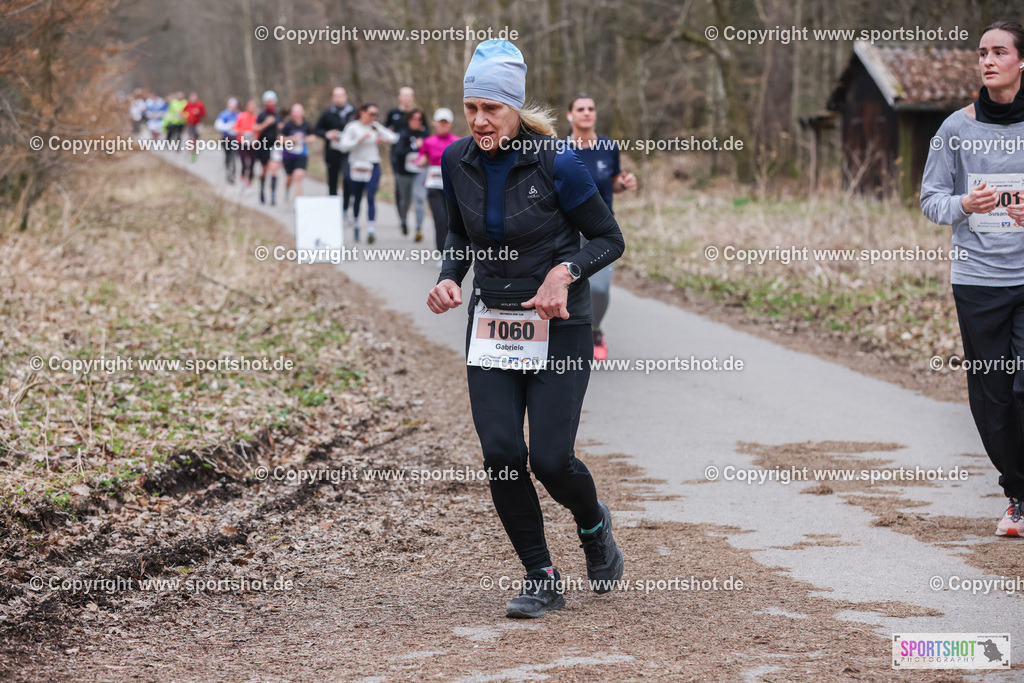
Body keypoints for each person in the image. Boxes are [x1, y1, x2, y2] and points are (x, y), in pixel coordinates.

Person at [426, 40, 625, 619]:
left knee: (552, 460)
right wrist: (447, 278)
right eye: (471, 108)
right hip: (492, 323)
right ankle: (540, 574)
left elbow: (609, 238)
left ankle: (593, 527)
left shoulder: (558, 161)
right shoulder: (454, 159)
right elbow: (460, 234)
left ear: (515, 108)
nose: (480, 121)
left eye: (492, 109)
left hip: (559, 323)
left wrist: (564, 273)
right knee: (502, 453)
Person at [922, 20, 1024, 538]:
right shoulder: (955, 129)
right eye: (981, 52)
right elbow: (929, 200)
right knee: (993, 394)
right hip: (979, 281)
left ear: (1020, 62)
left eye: (999, 51)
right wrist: (963, 203)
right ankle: (1017, 494)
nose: (986, 60)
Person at [566, 94, 637, 361]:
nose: (586, 113)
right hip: (567, 228)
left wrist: (624, 183)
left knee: (598, 288)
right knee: (569, 284)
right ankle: (568, 334)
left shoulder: (608, 146)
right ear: (569, 115)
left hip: (601, 230)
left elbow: (613, 183)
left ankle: (595, 329)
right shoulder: (559, 148)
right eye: (580, 108)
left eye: (591, 109)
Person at [337, 103, 399, 243]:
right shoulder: (352, 127)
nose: (373, 117)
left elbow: (394, 138)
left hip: (373, 164)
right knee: (357, 197)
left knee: (371, 196)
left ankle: (371, 230)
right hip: (357, 165)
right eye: (371, 114)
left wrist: (382, 134)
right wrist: (358, 141)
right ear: (362, 112)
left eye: (375, 114)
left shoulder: (375, 126)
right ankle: (356, 225)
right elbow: (343, 147)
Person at [417, 108, 459, 250]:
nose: (443, 125)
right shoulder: (428, 141)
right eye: (440, 122)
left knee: (451, 221)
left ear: (450, 123)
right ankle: (442, 252)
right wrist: (421, 160)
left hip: (452, 188)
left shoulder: (457, 142)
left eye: (445, 122)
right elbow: (420, 158)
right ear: (435, 123)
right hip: (434, 186)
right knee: (440, 221)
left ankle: (453, 251)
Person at [314, 87, 357, 214]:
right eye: (336, 96)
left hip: (348, 152)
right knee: (332, 179)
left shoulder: (353, 113)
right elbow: (316, 130)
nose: (339, 98)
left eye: (341, 95)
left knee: (347, 178)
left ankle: (345, 208)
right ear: (333, 98)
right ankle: (332, 208)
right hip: (332, 151)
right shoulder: (327, 113)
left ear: (346, 97)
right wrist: (327, 134)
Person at [392, 108, 429, 237]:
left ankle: (419, 229)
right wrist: (413, 146)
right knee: (405, 201)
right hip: (403, 172)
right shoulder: (403, 133)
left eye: (419, 119)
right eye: (414, 118)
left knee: (419, 198)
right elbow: (398, 152)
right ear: (408, 120)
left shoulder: (425, 134)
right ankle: (403, 222)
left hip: (420, 171)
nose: (416, 121)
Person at [386, 87, 416, 223]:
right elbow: (385, 129)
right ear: (399, 97)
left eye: (409, 96)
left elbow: (424, 130)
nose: (406, 98)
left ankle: (410, 212)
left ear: (412, 97)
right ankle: (401, 216)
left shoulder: (416, 114)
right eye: (404, 95)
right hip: (396, 154)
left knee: (412, 186)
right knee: (399, 185)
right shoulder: (393, 113)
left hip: (413, 154)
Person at [280, 103, 315, 201]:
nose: (297, 113)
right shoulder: (288, 125)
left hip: (301, 155)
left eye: (299, 111)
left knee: (298, 176)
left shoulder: (306, 125)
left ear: (303, 112)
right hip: (288, 155)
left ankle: (298, 202)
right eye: (295, 111)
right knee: (289, 178)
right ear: (292, 113)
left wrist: (307, 139)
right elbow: (280, 139)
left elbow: (312, 136)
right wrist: (292, 139)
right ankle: (287, 190)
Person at [254, 91, 282, 205]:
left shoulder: (278, 115)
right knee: (265, 170)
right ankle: (262, 189)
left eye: (272, 100)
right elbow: (255, 128)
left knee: (274, 170)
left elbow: (282, 130)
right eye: (268, 101)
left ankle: (273, 195)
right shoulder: (261, 115)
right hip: (263, 145)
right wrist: (266, 123)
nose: (270, 103)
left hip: (275, 146)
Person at [235, 99, 259, 192]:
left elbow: (260, 130)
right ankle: (242, 180)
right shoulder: (241, 116)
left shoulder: (257, 117)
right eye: (250, 106)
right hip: (242, 142)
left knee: (252, 164)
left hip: (254, 143)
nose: (252, 108)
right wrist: (243, 132)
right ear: (247, 107)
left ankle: (249, 184)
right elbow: (236, 128)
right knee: (244, 163)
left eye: (254, 107)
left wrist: (255, 135)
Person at [214, 97, 240, 183]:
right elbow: (217, 126)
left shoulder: (239, 114)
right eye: (231, 106)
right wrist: (229, 126)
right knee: (228, 156)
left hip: (236, 139)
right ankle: (228, 169)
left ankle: (232, 174)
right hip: (226, 139)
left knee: (234, 156)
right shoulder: (224, 114)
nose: (233, 108)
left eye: (234, 106)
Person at [184, 92, 207, 162]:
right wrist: (184, 116)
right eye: (192, 98)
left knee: (196, 139)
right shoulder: (187, 104)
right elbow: (183, 112)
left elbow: (204, 113)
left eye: (195, 98)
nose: (193, 99)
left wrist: (198, 113)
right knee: (191, 138)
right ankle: (191, 152)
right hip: (189, 124)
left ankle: (195, 150)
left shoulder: (200, 105)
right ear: (190, 98)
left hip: (197, 124)